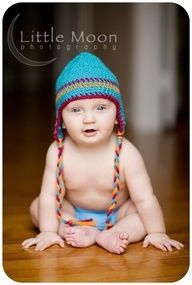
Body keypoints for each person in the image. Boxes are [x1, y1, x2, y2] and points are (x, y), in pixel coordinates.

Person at [22, 52, 184, 254]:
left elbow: (145, 199)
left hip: (118, 213)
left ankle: (112, 233)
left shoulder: (127, 154)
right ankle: (74, 232)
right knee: (37, 207)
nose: (88, 119)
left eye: (100, 108)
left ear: (117, 115)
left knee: (140, 215)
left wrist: (157, 232)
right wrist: (47, 231)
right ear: (61, 120)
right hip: (74, 214)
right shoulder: (57, 152)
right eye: (76, 110)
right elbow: (49, 196)